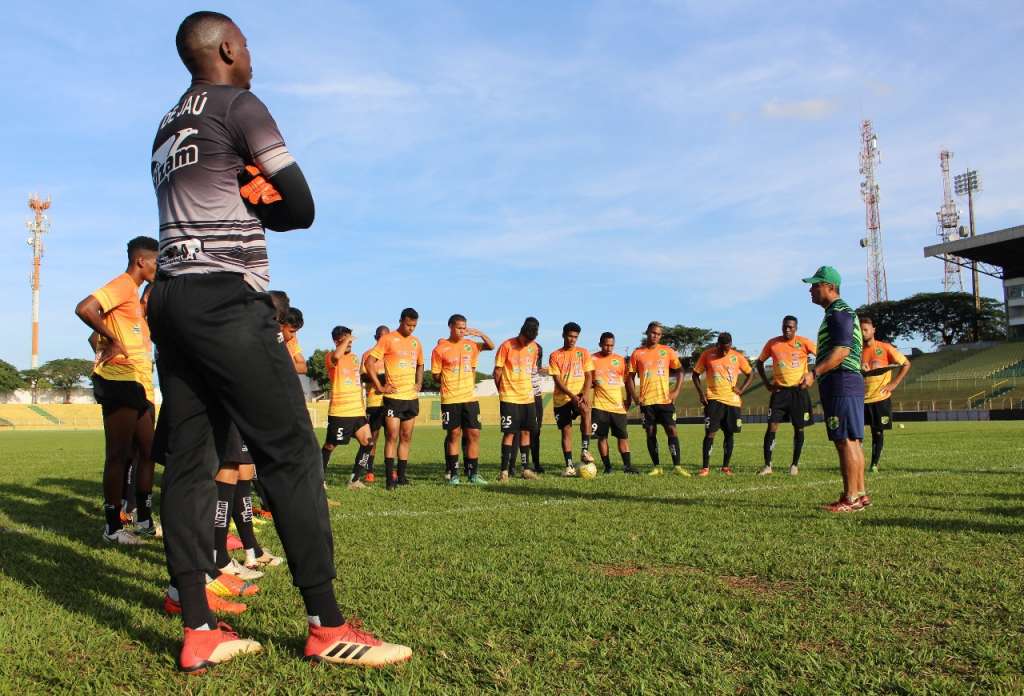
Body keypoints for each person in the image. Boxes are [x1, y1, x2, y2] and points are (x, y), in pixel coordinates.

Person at [149, 11, 409, 671]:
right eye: (249, 46)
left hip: (172, 296)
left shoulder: (168, 123)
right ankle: (326, 625)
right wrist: (259, 196)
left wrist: (241, 189)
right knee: (290, 449)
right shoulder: (239, 103)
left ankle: (199, 626)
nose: (253, 56)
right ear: (229, 47)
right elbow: (301, 206)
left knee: (190, 458)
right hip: (224, 296)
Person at [74, 236, 159, 544]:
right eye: (155, 262)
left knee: (149, 450)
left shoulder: (134, 299)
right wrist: (112, 339)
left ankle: (144, 520)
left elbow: (93, 338)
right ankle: (113, 527)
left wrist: (107, 339)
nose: (157, 268)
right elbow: (85, 308)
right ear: (141, 261)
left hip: (136, 384)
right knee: (119, 455)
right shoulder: (123, 285)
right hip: (119, 381)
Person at [799, 266, 867, 513]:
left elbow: (841, 351)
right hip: (847, 381)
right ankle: (859, 494)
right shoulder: (840, 312)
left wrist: (814, 372)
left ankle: (850, 498)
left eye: (815, 285)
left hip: (841, 381)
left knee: (845, 440)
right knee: (853, 440)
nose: (811, 289)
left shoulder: (838, 312)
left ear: (829, 287)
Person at [430, 315, 494, 485]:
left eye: (464, 328)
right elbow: (436, 375)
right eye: (459, 327)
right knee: (454, 435)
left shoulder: (471, 345)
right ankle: (454, 474)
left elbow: (490, 346)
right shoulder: (440, 349)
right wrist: (449, 379)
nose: (462, 331)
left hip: (470, 398)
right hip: (450, 399)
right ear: (450, 326)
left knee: (474, 434)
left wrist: (479, 333)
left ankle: (473, 474)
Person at [367, 309, 424, 491]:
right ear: (400, 321)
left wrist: (419, 383)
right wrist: (380, 387)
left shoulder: (416, 342)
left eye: (414, 325)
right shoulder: (388, 339)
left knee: (406, 437)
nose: (411, 329)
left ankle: (401, 476)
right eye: (408, 325)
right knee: (391, 436)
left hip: (411, 398)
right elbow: (369, 363)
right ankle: (389, 479)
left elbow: (421, 365)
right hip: (393, 398)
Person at [755, 316, 817, 476]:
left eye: (790, 327)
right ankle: (768, 465)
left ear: (796, 328)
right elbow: (759, 362)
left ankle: (794, 465)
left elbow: (822, 356)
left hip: (798, 392)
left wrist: (812, 375)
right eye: (785, 327)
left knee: (799, 428)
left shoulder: (804, 342)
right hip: (779, 392)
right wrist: (767, 384)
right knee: (772, 426)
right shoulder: (773, 343)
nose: (787, 329)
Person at [692, 333, 755, 476]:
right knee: (710, 433)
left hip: (732, 402)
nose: (724, 352)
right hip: (713, 400)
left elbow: (751, 373)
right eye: (722, 349)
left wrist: (741, 390)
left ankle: (726, 467)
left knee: (729, 434)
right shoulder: (707, 355)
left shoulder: (737, 357)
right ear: (717, 345)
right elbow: (695, 374)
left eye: (727, 349)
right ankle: (705, 468)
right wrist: (701, 394)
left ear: (730, 345)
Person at [628, 322, 686, 476]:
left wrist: (676, 391)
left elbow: (680, 371)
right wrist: (634, 396)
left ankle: (677, 466)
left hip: (665, 400)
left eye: (658, 334)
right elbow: (630, 377)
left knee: (672, 431)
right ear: (647, 332)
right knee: (650, 433)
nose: (655, 336)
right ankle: (657, 466)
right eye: (653, 333)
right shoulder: (637, 353)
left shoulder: (667, 351)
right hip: (647, 402)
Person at [322, 327, 376, 489]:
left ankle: (354, 480)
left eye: (351, 340)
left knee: (368, 443)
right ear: (337, 341)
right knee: (330, 446)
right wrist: (346, 341)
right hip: (340, 413)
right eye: (346, 340)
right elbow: (337, 356)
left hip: (357, 412)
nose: (350, 343)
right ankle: (319, 478)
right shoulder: (331, 357)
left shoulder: (354, 358)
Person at [493, 318, 542, 482]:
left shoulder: (534, 347)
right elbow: (498, 371)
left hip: (527, 398)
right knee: (509, 433)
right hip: (509, 397)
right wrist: (502, 390)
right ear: (521, 333)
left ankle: (525, 469)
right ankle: (504, 471)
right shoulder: (506, 345)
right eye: (525, 340)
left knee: (527, 432)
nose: (526, 343)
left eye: (530, 341)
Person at [860, 315, 911, 473]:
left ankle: (874, 464)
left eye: (865, 330)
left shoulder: (885, 348)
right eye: (860, 330)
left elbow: (906, 363)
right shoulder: (856, 351)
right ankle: (858, 463)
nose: (863, 333)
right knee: (855, 434)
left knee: (877, 432)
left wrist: (893, 384)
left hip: (880, 398)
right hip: (860, 399)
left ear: (873, 330)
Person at [549, 322, 596, 477]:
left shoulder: (583, 353)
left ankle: (584, 450)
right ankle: (569, 466)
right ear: (563, 335)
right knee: (566, 431)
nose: (572, 339)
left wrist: (584, 393)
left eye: (575, 337)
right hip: (562, 399)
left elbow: (589, 375)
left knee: (586, 410)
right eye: (570, 336)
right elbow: (557, 380)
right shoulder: (555, 355)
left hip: (579, 395)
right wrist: (572, 396)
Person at [591, 332, 638, 474]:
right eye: (606, 345)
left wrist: (629, 399)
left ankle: (627, 466)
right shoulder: (592, 359)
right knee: (602, 437)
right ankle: (607, 467)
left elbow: (628, 381)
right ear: (600, 344)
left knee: (623, 437)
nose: (609, 348)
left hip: (618, 407)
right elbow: (588, 381)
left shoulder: (620, 360)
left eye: (611, 345)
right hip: (599, 406)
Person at [360, 325, 390, 483]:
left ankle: (390, 470)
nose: (383, 339)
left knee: (392, 436)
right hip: (374, 401)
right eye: (380, 336)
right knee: (372, 438)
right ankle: (369, 471)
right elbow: (363, 377)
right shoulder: (367, 354)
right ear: (375, 337)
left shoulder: (393, 354)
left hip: (392, 401)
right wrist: (379, 377)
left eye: (386, 336)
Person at [527, 345, 546, 474]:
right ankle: (520, 464)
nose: (536, 355)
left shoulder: (538, 367)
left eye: (538, 353)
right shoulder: (522, 364)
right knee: (520, 433)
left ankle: (536, 463)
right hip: (522, 398)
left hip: (537, 397)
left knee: (536, 432)